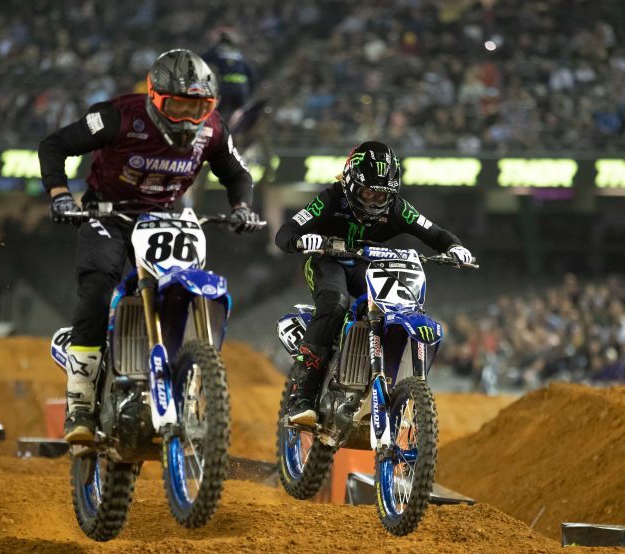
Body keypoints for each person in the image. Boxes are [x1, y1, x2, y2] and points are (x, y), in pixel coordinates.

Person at [38, 49, 263, 444]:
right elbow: (54, 145)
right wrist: (59, 194)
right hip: (108, 213)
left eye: (199, 107)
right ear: (155, 97)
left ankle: (179, 372)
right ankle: (80, 403)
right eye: (178, 105)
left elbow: (236, 173)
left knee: (178, 285)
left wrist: (242, 207)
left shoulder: (212, 129)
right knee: (97, 285)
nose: (189, 117)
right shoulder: (118, 116)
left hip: (164, 219)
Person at [274, 140, 474, 425]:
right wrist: (301, 239)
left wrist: (455, 248)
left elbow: (435, 233)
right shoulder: (332, 198)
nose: (373, 201)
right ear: (351, 184)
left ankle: (382, 380)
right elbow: (286, 230)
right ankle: (302, 395)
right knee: (336, 303)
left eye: (381, 196)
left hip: (366, 265)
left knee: (394, 304)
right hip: (326, 262)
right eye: (368, 192)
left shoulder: (397, 209)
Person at [202, 30, 255, 126]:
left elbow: (201, 58)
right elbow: (252, 75)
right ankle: (231, 129)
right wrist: (250, 90)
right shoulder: (240, 55)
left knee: (217, 110)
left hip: (226, 86)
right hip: (241, 87)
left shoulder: (217, 52)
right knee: (239, 109)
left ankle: (212, 128)